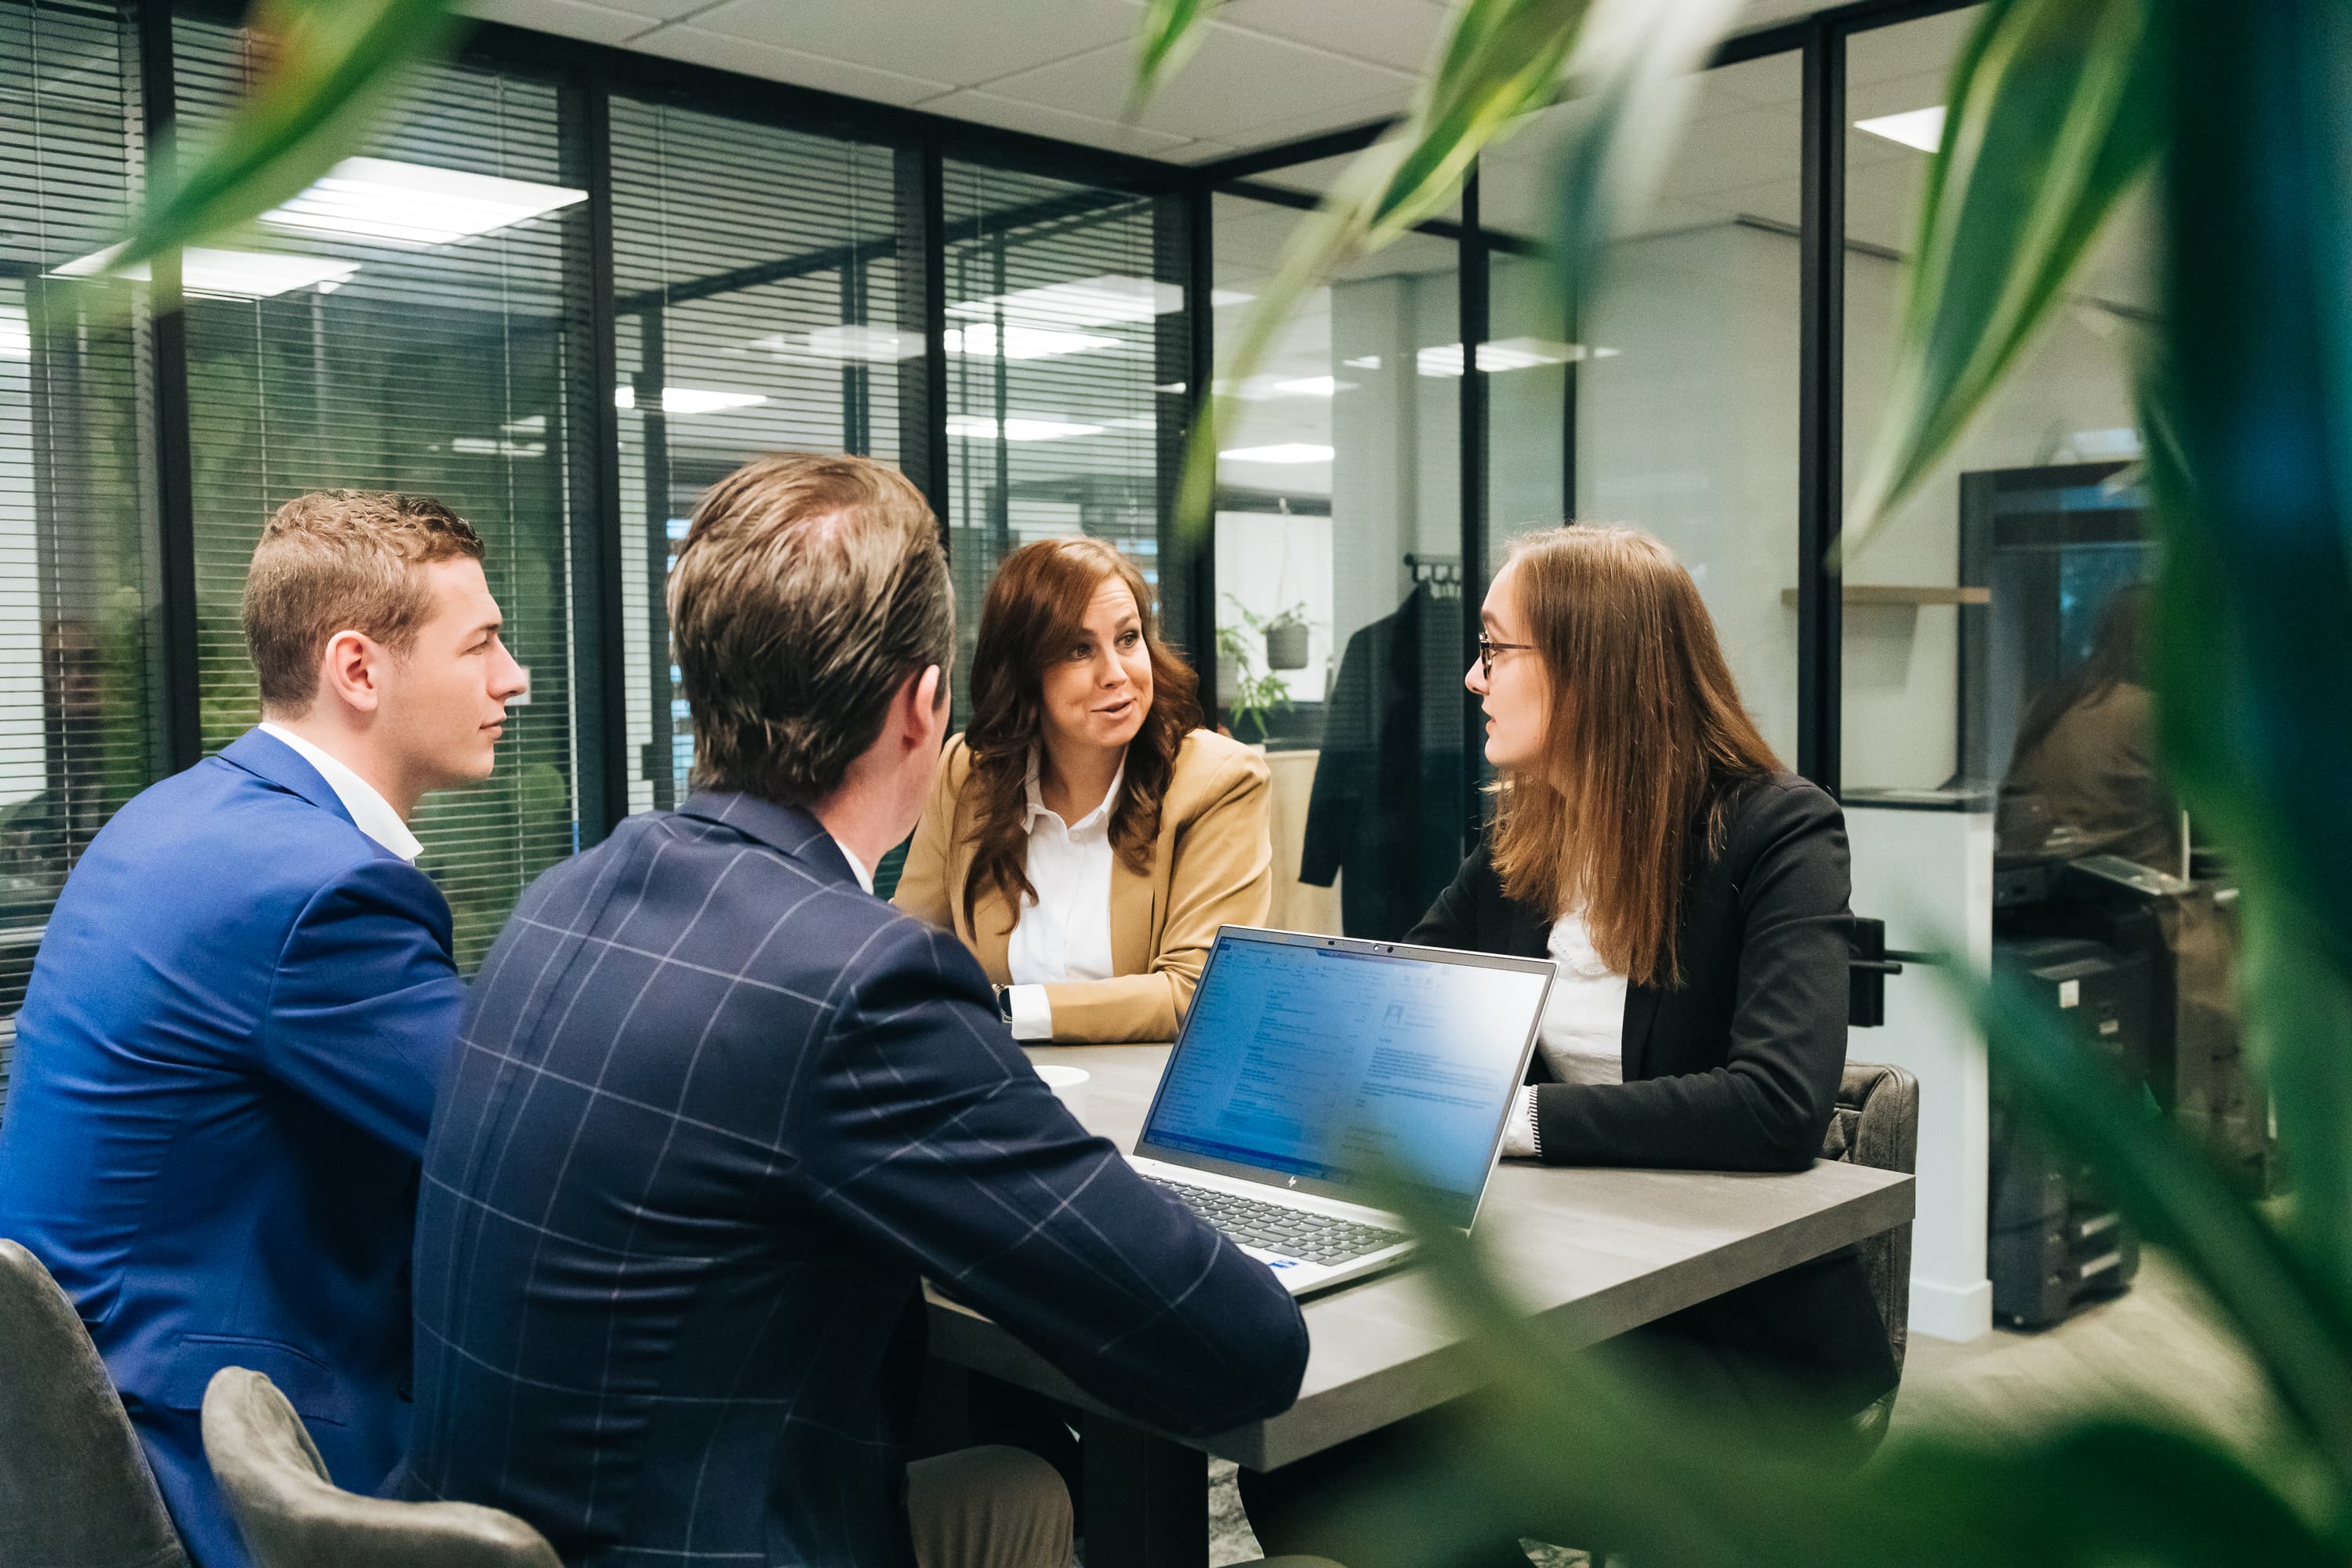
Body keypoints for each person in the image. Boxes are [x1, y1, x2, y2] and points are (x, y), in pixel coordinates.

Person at [399, 455, 1311, 1568]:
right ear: (927, 707)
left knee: (1021, 1488)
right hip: (704, 1540)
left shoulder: (567, 896)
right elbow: (1243, 1351)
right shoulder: (856, 986)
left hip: (495, 1534)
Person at [1238, 524, 1897, 1567]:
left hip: (1743, 1347)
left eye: (1496, 649)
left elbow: (1776, 1105)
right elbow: (1398, 1006)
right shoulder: (1531, 842)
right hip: (1582, 1296)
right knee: (1314, 1452)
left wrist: (1511, 1119)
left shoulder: (1778, 833)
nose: (1470, 676)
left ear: (1592, 670)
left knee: (1367, 1450)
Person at [0, 492, 528, 1568]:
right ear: (359, 669)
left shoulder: (182, 815)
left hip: (81, 1430)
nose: (512, 677)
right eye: (479, 644)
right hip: (200, 1457)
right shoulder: (319, 890)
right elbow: (521, 1143)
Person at [893, 535, 1272, 1044]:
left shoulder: (1219, 781)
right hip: (995, 1087)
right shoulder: (969, 771)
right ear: (1024, 670)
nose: (1116, 675)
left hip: (1143, 1098)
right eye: (1079, 649)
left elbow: (1198, 992)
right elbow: (913, 947)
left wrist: (1004, 1011)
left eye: (1128, 638)